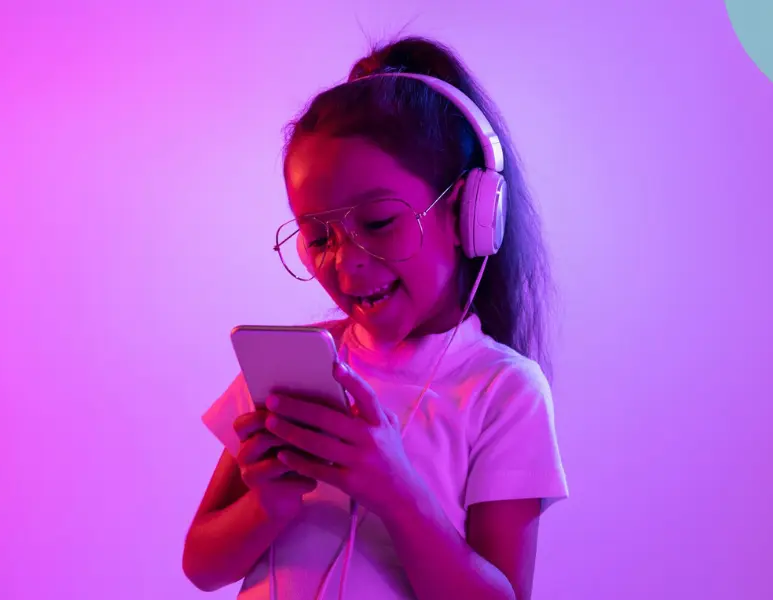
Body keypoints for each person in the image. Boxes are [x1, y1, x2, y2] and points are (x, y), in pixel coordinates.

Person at [182, 36, 568, 600]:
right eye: (318, 236)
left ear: (470, 212)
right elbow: (202, 564)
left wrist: (394, 489)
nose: (347, 262)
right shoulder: (292, 368)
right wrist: (266, 504)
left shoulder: (502, 390)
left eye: (381, 222)